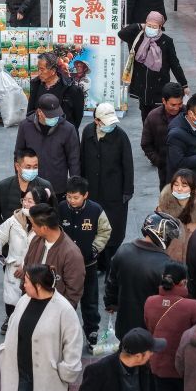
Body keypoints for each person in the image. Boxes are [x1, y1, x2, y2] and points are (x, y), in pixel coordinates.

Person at [0, 264, 83, 391]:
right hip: (19, 375)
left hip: (46, 379)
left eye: (26, 282)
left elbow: (73, 345)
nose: (23, 285)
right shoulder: (23, 301)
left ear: (38, 285)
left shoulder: (64, 310)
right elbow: (12, 328)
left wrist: (66, 371)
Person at [104, 212, 177, 339]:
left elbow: (112, 283)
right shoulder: (165, 264)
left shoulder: (123, 251)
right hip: (150, 329)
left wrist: (111, 303)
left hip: (124, 327)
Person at [0, 185, 50, 332]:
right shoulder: (14, 221)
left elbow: (48, 251)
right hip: (13, 273)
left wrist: (28, 268)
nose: (26, 204)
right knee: (12, 305)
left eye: (31, 201)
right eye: (25, 200)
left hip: (36, 276)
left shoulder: (46, 225)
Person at [80, 102, 132, 271]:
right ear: (96, 121)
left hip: (114, 192)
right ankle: (95, 261)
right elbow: (82, 159)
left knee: (114, 229)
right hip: (92, 190)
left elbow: (128, 165)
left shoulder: (121, 136)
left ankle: (109, 263)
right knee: (93, 226)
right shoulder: (88, 132)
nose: (110, 126)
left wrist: (127, 190)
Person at [58, 176, 111, 342]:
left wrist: (95, 249)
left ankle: (91, 332)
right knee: (66, 300)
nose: (72, 201)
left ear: (85, 195)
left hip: (89, 265)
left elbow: (105, 231)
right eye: (69, 196)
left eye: (76, 197)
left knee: (90, 300)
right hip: (66, 267)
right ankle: (66, 332)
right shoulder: (61, 208)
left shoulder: (96, 210)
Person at [144, 262, 196, 391]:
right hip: (184, 367)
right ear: (183, 282)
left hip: (158, 365)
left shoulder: (150, 302)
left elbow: (150, 328)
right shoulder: (193, 306)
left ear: (162, 277)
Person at [119, 11, 189, 124]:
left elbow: (175, 64)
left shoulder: (167, 41)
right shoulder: (138, 37)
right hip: (142, 87)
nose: (150, 28)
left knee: (159, 120)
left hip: (159, 88)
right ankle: (147, 139)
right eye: (149, 25)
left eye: (154, 26)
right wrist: (139, 25)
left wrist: (184, 84)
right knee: (145, 118)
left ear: (160, 27)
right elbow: (122, 34)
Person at [15, 93, 81, 193]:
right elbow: (18, 154)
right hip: (31, 184)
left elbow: (74, 160)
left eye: (56, 114)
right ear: (39, 112)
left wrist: (75, 186)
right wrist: (19, 179)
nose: (55, 118)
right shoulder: (25, 126)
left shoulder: (68, 129)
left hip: (57, 186)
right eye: (50, 115)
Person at [78, 327, 166, 391]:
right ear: (138, 356)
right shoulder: (97, 372)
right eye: (150, 351)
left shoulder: (146, 368)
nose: (152, 354)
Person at [0, 148, 53, 230]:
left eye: (35, 167)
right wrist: (5, 233)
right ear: (17, 166)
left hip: (38, 238)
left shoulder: (45, 185)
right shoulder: (3, 186)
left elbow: (54, 213)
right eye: (28, 167)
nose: (32, 170)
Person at [158, 169, 196, 262]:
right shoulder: (163, 207)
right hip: (168, 259)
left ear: (192, 188)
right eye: (176, 185)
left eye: (184, 186)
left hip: (194, 259)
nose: (179, 188)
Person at [141, 83, 184, 189]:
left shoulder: (189, 114)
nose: (177, 108)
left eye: (180, 104)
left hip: (187, 170)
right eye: (173, 105)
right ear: (164, 101)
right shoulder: (153, 117)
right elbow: (146, 144)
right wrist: (159, 161)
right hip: (165, 171)